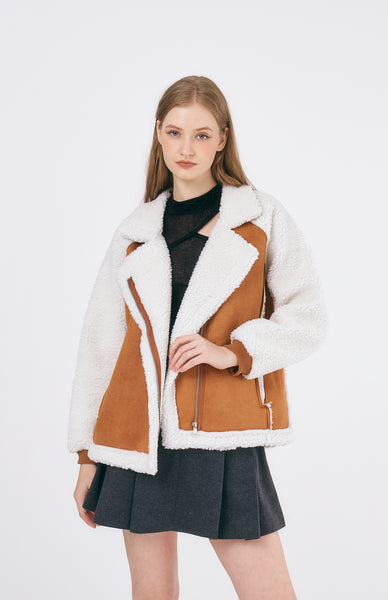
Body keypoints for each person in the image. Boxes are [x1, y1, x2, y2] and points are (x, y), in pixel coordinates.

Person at [67, 75, 328, 600]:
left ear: (223, 138)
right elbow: (101, 346)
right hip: (137, 437)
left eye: (202, 135)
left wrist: (233, 352)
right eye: (175, 132)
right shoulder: (134, 232)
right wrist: (87, 457)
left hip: (220, 433)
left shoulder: (260, 216)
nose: (186, 148)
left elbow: (308, 316)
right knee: (152, 594)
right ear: (158, 135)